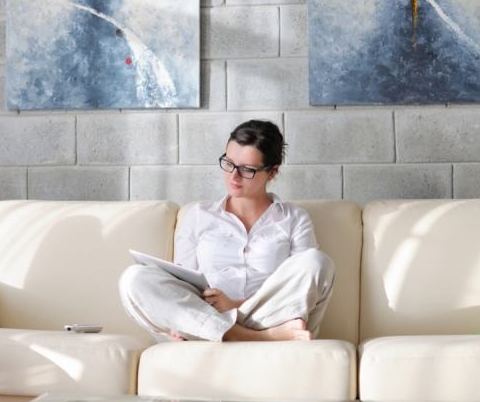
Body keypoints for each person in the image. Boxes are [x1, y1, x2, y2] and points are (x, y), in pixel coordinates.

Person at [119, 120, 335, 342]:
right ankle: (259, 337)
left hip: (270, 316)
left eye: (247, 169)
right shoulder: (199, 215)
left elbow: (300, 290)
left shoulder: (294, 218)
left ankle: (230, 331)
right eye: (229, 163)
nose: (234, 176)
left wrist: (234, 305)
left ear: (272, 172)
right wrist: (180, 315)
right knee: (134, 278)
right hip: (213, 314)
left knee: (317, 262)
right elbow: (185, 283)